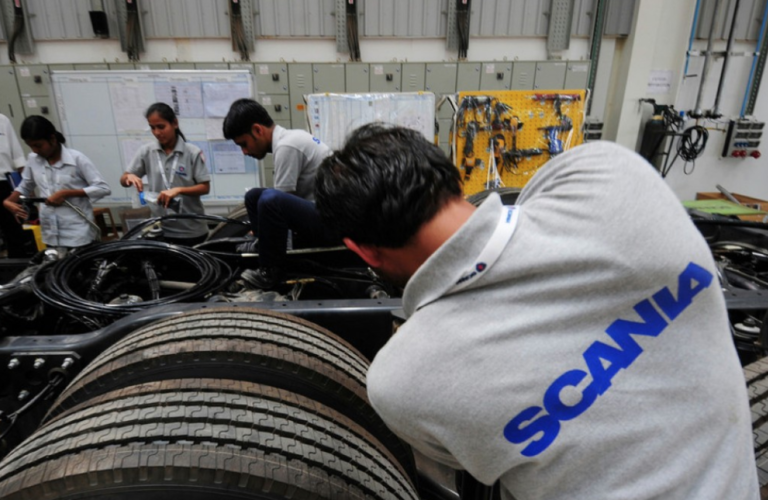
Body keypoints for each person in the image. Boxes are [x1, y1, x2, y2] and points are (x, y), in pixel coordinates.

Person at [314, 124, 758, 500]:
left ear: (362, 250)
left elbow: (466, 459)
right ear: (452, 176)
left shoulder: (400, 381)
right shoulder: (611, 172)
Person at [222, 98, 336, 289]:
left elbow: (279, 203)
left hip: (332, 223)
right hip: (320, 211)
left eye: (244, 144)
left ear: (258, 130)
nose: (244, 152)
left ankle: (271, 271)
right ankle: (262, 244)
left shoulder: (287, 146)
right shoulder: (291, 138)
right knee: (254, 196)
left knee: (270, 200)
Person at [2, 116, 111, 254]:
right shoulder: (33, 160)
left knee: (77, 265)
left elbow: (103, 188)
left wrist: (66, 193)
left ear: (52, 139)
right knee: (54, 265)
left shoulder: (77, 159)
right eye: (31, 146)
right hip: (50, 233)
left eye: (38, 145)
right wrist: (8, 201)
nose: (35, 150)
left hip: (78, 233)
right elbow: (25, 185)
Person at [120, 103, 211, 246]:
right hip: (160, 230)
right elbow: (123, 180)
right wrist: (128, 177)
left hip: (191, 230)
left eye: (161, 127)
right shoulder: (147, 152)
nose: (157, 132)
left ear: (174, 123)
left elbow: (205, 187)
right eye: (152, 128)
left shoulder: (192, 152)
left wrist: (179, 190)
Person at [0, 113, 34, 257]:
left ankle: (19, 265)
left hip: (4, 184)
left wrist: (28, 189)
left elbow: (18, 156)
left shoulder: (2, 120)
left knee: (14, 231)